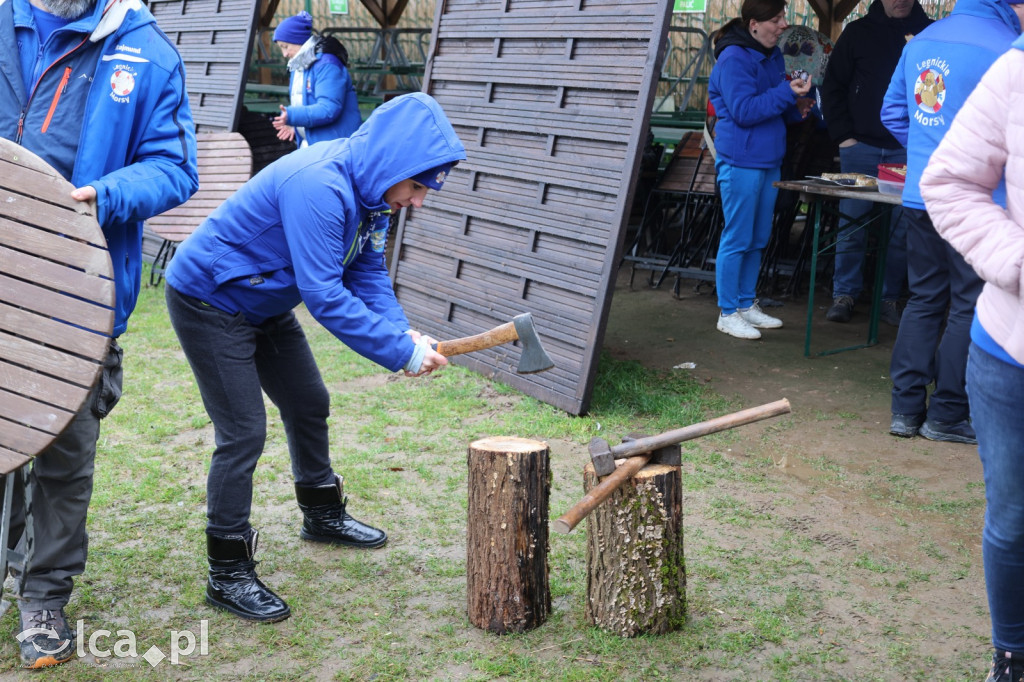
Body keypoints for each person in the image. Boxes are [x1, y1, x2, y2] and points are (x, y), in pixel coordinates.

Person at [164, 92, 464, 623]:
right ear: (394, 163)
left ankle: (322, 515)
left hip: (263, 298)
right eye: (418, 186)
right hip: (210, 299)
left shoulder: (373, 196)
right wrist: (399, 352)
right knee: (242, 433)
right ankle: (227, 571)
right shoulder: (320, 185)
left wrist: (403, 334)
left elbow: (366, 273)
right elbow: (324, 294)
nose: (418, 200)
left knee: (308, 401)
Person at [0, 0, 199, 669]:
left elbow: (175, 167)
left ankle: (43, 598)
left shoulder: (147, 51)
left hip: (75, 300)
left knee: (62, 456)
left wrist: (104, 194)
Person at [919, 34, 1024, 682]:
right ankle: (1011, 655)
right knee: (1014, 521)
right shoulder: (1016, 71)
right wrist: (1017, 262)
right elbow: (948, 180)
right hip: (1011, 352)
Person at [880, 0, 1024, 444]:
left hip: (921, 194)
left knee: (923, 297)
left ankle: (904, 410)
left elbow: (892, 113)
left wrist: (930, 147)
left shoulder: (920, 41)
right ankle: (945, 414)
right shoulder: (1008, 49)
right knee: (967, 304)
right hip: (980, 202)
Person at [819, 0, 932, 326]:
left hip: (906, 150)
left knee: (901, 230)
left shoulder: (929, 34)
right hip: (861, 146)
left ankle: (889, 298)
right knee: (851, 224)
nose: (900, 0)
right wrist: (843, 137)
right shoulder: (856, 32)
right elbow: (833, 86)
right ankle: (845, 293)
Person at [707, 0, 813, 340]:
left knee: (757, 238)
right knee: (738, 237)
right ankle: (727, 312)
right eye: (777, 19)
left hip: (768, 161)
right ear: (754, 24)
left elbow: (773, 105)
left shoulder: (773, 56)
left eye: (783, 17)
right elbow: (744, 111)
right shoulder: (734, 59)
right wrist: (785, 92)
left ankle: (745, 303)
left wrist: (798, 107)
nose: (784, 25)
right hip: (740, 162)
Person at [270, 11, 362, 148]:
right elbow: (307, 105)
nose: (284, 54)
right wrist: (295, 128)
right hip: (315, 146)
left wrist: (292, 116)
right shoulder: (298, 65)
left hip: (336, 147)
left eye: (285, 46)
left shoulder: (327, 65)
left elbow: (328, 109)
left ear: (298, 41)